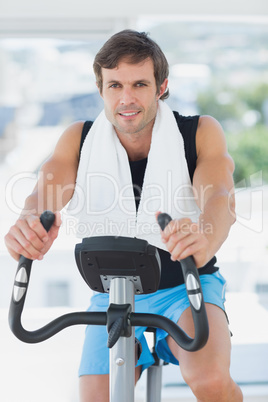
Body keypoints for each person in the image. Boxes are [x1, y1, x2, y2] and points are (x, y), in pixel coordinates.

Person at [5, 30, 243, 401]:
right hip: (112, 290)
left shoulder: (199, 132)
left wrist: (205, 237)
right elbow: (45, 194)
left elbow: (220, 197)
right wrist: (30, 223)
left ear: (162, 87)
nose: (126, 98)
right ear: (100, 88)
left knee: (211, 382)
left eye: (139, 84)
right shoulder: (79, 138)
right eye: (115, 85)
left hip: (184, 283)